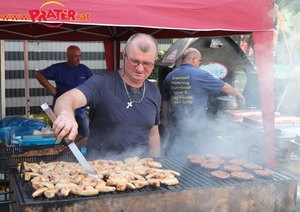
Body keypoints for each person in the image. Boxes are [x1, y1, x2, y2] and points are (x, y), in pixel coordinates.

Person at [52, 33, 161, 160]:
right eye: (134, 61)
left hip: (139, 174)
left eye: (147, 63)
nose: (140, 69)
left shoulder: (153, 90)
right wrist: (66, 115)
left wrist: (157, 163)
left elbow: (153, 134)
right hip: (101, 173)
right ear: (124, 55)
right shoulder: (102, 83)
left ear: (155, 61)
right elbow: (66, 99)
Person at [161, 47, 245, 156]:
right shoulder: (200, 75)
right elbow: (225, 88)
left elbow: (164, 104)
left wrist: (166, 122)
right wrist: (238, 94)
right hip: (194, 129)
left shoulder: (170, 76)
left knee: (174, 156)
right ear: (194, 60)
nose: (199, 64)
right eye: (199, 62)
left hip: (175, 127)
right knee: (192, 159)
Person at [35, 45, 93, 141]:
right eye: (75, 56)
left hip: (79, 108)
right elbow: (39, 75)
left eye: (80, 56)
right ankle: (66, 153)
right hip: (63, 109)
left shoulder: (84, 69)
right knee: (65, 136)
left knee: (86, 133)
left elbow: (93, 83)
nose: (78, 59)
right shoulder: (58, 68)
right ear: (68, 56)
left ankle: (85, 153)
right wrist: (52, 89)